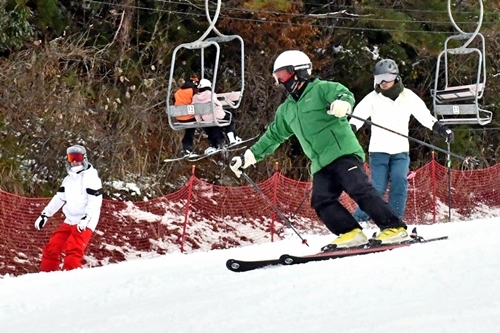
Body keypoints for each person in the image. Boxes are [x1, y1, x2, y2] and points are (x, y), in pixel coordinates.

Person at [230, 50, 410, 250]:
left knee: (358, 188)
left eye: (283, 75)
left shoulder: (321, 89)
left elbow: (344, 94)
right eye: (277, 78)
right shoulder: (287, 109)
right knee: (321, 200)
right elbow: (273, 136)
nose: (281, 82)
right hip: (320, 163)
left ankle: (395, 227)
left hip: (343, 153)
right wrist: (249, 156)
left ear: (299, 72)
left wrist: (343, 103)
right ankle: (350, 232)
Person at [349, 59, 454, 223]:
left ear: (395, 77)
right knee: (377, 188)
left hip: (400, 151)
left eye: (386, 78)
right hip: (379, 151)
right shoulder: (372, 98)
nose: (383, 83)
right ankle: (359, 220)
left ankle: (394, 221)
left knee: (399, 181)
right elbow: (358, 115)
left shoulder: (408, 96)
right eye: (379, 78)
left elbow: (424, 116)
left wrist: (441, 128)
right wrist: (352, 128)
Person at [34, 145, 103, 271]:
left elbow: (95, 201)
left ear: (84, 159)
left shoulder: (91, 178)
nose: (75, 161)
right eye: (72, 158)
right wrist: (45, 214)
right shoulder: (68, 179)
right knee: (52, 247)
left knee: (73, 249)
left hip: (85, 221)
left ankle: (72, 279)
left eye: (78, 157)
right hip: (70, 219)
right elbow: (59, 198)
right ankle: (47, 276)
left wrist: (87, 218)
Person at [193, 78, 241, 154]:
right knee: (229, 118)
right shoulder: (211, 94)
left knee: (214, 126)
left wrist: (200, 121)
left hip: (206, 118)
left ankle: (218, 143)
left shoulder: (195, 97)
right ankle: (232, 136)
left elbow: (195, 110)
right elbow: (218, 104)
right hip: (217, 115)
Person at [173, 76, 199, 156]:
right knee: (193, 127)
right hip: (189, 117)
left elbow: (174, 101)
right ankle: (187, 147)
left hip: (180, 117)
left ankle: (186, 147)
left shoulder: (178, 91)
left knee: (189, 129)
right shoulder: (192, 91)